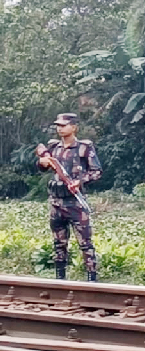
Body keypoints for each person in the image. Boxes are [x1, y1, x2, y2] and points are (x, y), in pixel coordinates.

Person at [37, 113, 103, 281]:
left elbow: (96, 172)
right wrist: (42, 162)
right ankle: (60, 279)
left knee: (85, 243)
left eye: (64, 125)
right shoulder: (53, 147)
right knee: (59, 243)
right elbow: (42, 167)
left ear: (73, 127)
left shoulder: (84, 147)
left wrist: (79, 182)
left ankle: (91, 278)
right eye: (58, 125)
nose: (60, 128)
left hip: (75, 202)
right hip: (56, 202)